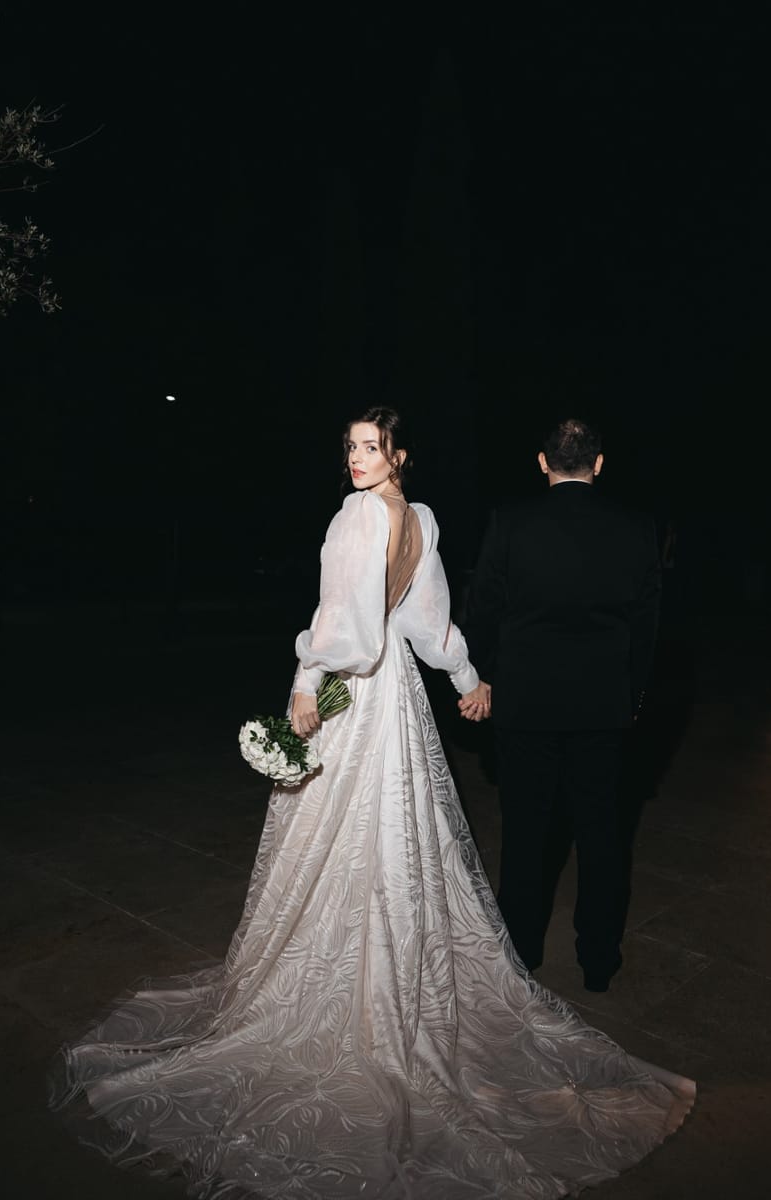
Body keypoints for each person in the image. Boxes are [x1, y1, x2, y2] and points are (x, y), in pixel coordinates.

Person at [51, 408, 692, 1199]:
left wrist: (301, 682)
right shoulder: (419, 518)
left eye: (371, 447)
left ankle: (345, 984)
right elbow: (429, 624)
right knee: (400, 835)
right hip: (402, 702)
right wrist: (466, 678)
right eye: (350, 448)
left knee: (339, 833)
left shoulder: (358, 517)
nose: (356, 460)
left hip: (354, 693)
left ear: (399, 454)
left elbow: (346, 629)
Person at [463, 416, 661, 992]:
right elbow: (646, 629)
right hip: (603, 709)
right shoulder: (636, 528)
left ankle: (521, 955)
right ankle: (598, 960)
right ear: (598, 464)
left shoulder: (510, 523)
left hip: (526, 706)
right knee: (602, 837)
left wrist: (485, 677)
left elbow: (482, 613)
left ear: (543, 462)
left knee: (526, 835)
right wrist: (633, 698)